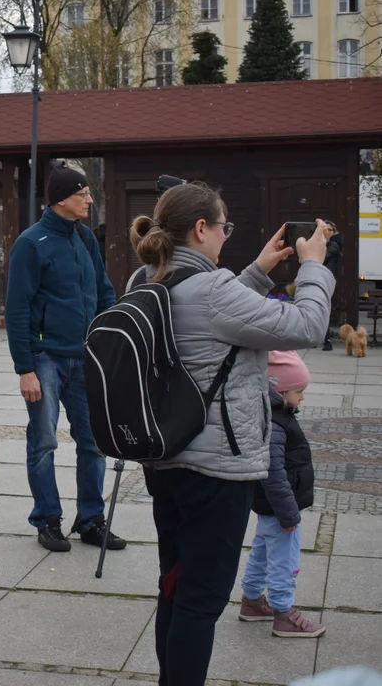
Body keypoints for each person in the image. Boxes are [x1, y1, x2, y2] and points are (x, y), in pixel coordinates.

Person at [129, 182, 333, 685]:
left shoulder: (145, 277)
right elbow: (307, 326)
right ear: (201, 229)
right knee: (201, 600)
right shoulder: (213, 289)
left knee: (175, 587)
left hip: (165, 457)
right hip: (216, 470)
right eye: (224, 227)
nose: (225, 236)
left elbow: (213, 314)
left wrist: (259, 270)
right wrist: (314, 266)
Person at [4, 162, 124, 552]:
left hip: (88, 358)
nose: (90, 199)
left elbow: (104, 291)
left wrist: (111, 339)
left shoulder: (86, 238)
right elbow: (18, 308)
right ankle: (47, 519)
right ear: (60, 199)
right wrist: (25, 368)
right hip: (45, 359)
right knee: (44, 442)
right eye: (82, 193)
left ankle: (91, 519)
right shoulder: (30, 243)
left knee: (95, 442)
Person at [239, 350, 325, 638]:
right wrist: (289, 512)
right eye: (298, 391)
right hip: (281, 508)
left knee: (262, 549)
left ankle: (251, 600)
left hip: (271, 506)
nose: (302, 398)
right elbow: (273, 472)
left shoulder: (275, 414)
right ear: (280, 390)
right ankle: (283, 612)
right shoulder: (276, 423)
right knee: (284, 559)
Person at [321, 220, 342, 351]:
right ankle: (323, 338)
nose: (326, 232)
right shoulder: (328, 244)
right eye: (324, 229)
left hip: (327, 278)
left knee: (324, 307)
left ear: (333, 232)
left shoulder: (333, 244)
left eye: (328, 229)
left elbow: (322, 258)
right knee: (321, 307)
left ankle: (327, 339)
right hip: (323, 277)